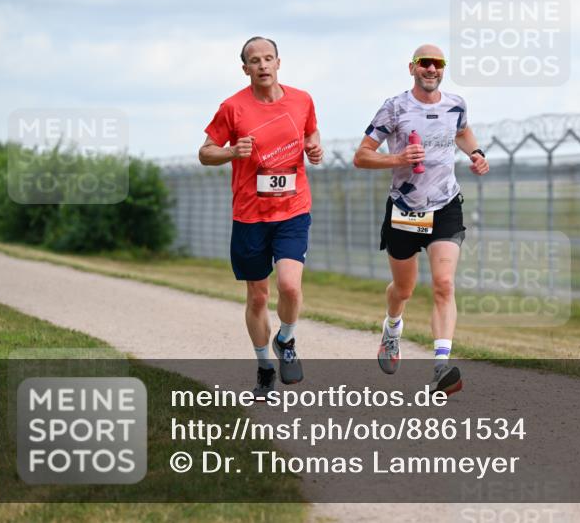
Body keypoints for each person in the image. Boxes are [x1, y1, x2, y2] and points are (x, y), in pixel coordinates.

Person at [353, 43, 489, 395]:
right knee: (404, 289)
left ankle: (440, 368)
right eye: (425, 63)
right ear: (412, 68)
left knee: (444, 284)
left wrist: (475, 153)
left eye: (438, 64)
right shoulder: (395, 107)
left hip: (445, 205)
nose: (432, 69)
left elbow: (461, 131)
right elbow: (362, 156)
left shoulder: (455, 103)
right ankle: (393, 327)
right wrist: (397, 159)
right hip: (405, 206)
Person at [199, 36, 323, 397]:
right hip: (250, 214)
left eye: (269, 58)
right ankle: (264, 367)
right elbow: (205, 153)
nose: (263, 65)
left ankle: (285, 339)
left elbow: (311, 132)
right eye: (255, 61)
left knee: (290, 285)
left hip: (292, 209)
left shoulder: (302, 100)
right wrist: (231, 152)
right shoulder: (232, 108)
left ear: (279, 63)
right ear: (246, 69)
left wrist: (315, 146)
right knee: (257, 297)